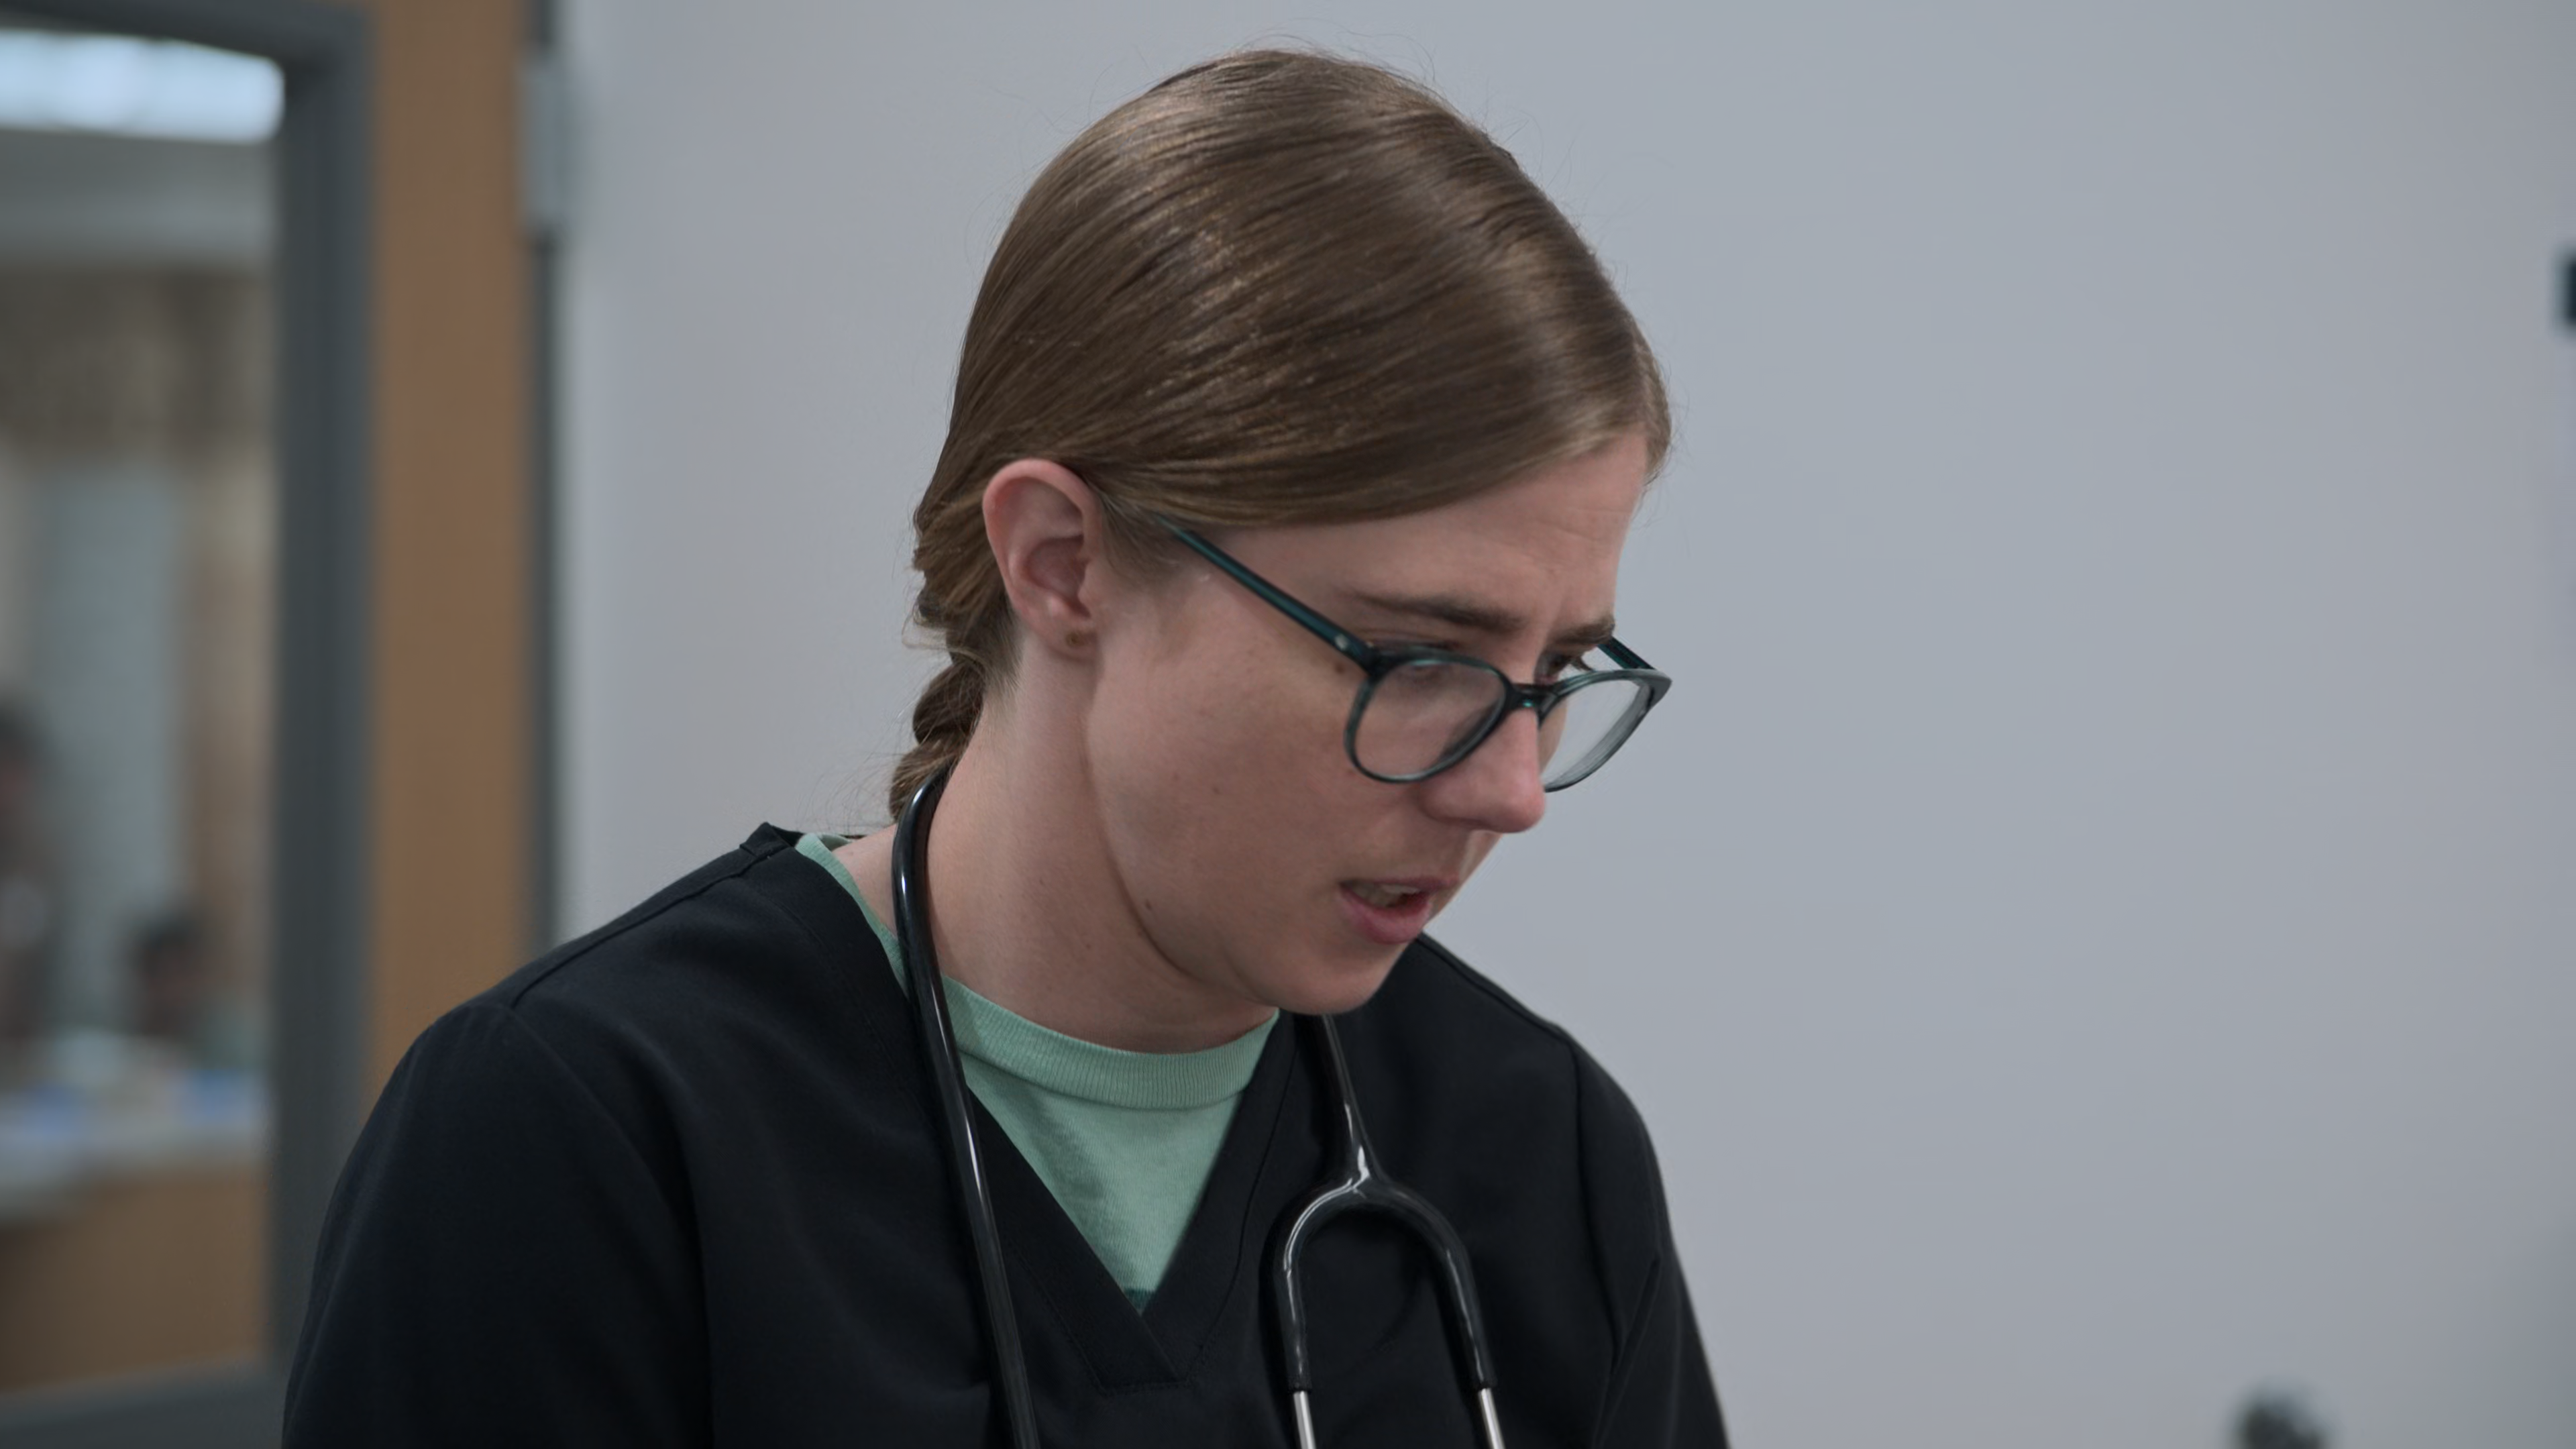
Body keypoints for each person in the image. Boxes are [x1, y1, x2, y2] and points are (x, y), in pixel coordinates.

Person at [285, 48, 1725, 1447]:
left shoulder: (1537, 1153)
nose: (1513, 791)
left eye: (1555, 672)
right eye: (1417, 659)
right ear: (1060, 562)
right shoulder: (591, 1137)